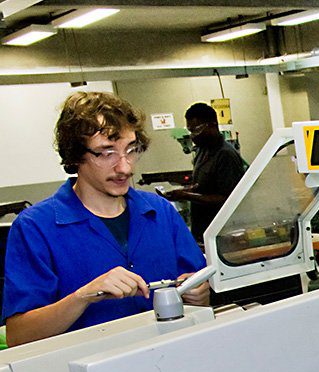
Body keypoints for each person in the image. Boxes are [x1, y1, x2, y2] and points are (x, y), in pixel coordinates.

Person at [2, 91, 208, 347]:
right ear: (75, 155)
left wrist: (199, 295)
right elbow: (19, 336)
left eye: (131, 150)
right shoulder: (36, 227)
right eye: (106, 153)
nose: (125, 167)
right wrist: (83, 297)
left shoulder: (160, 212)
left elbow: (198, 290)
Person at [164, 102, 246, 242]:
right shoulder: (202, 150)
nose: (193, 136)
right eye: (190, 131)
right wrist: (186, 191)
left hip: (221, 232)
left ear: (213, 125)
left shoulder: (225, 155)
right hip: (202, 229)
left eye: (196, 130)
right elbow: (202, 185)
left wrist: (187, 195)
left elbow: (228, 199)